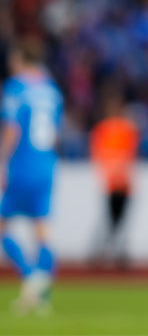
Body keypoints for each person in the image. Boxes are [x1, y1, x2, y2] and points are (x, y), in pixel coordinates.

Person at [0, 42, 63, 315]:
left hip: (22, 164)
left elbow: (12, 129)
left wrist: (2, 160)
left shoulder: (16, 87)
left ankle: (31, 278)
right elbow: (56, 134)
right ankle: (41, 294)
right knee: (42, 229)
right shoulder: (52, 91)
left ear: (22, 59)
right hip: (46, 164)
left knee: (3, 224)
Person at [89, 92, 139, 268]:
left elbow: (130, 154)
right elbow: (100, 154)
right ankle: (105, 252)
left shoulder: (127, 128)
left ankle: (112, 252)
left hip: (124, 182)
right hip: (112, 183)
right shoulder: (103, 129)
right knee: (112, 219)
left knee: (119, 219)